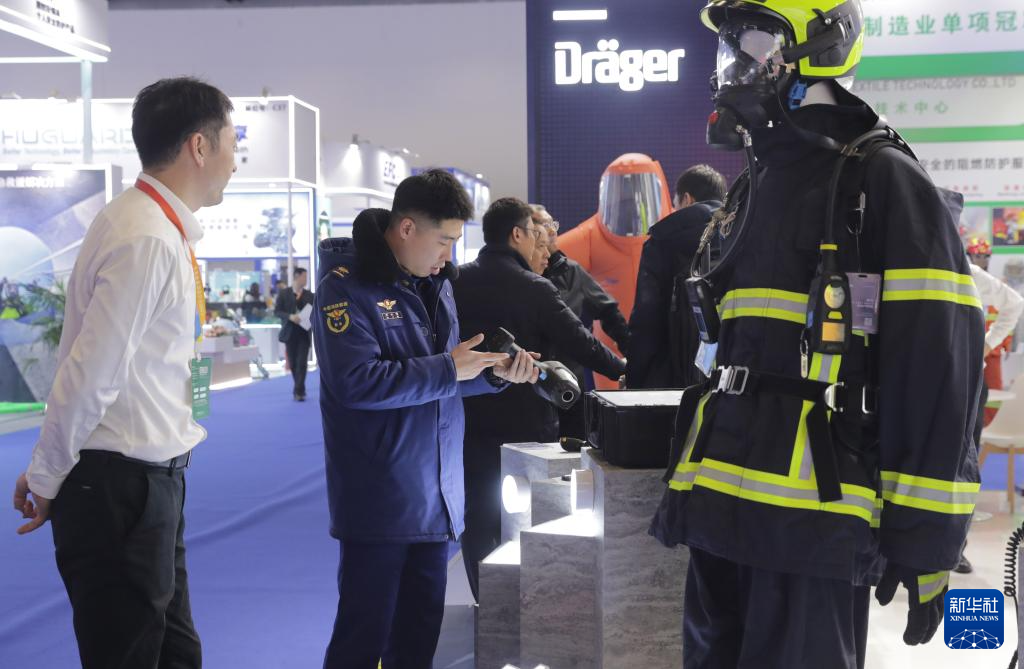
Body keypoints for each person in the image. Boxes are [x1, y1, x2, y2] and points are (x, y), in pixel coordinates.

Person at [650, 2, 984, 666]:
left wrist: (928, 541)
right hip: (718, 515)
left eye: (754, 41)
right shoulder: (757, 184)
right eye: (729, 45)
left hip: (814, 524)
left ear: (822, 47)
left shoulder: (882, 179)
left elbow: (936, 367)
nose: (735, 64)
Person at [11, 77, 236, 669]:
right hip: (119, 487)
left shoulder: (148, 225)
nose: (236, 161)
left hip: (143, 483)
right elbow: (90, 373)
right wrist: (48, 473)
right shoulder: (145, 237)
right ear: (199, 146)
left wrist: (51, 466)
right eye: (233, 143)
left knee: (173, 653)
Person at [313, 171, 537, 669]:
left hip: (437, 500)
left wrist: (491, 373)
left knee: (417, 645)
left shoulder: (437, 286)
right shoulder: (344, 288)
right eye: (443, 241)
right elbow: (356, 383)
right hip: (380, 501)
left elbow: (444, 381)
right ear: (407, 228)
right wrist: (449, 368)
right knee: (361, 641)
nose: (448, 256)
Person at [454, 197, 626, 600]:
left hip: (467, 423)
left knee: (477, 518)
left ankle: (486, 605)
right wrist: (623, 370)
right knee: (530, 521)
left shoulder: (456, 282)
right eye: (536, 234)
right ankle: (528, 608)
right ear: (517, 234)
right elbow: (583, 343)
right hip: (528, 427)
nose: (542, 244)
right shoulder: (534, 287)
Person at [556, 153, 672, 388]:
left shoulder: (671, 232)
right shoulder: (591, 236)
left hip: (663, 344)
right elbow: (544, 258)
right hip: (609, 350)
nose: (630, 201)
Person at [626, 165, 726, 390]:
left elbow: (646, 321)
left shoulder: (663, 240)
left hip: (675, 385)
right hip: (734, 380)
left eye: (675, 203)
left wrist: (635, 381)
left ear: (687, 199)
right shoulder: (743, 233)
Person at [534, 204, 629, 438]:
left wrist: (634, 358)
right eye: (544, 225)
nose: (552, 231)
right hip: (530, 389)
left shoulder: (572, 272)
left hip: (571, 388)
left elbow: (609, 313)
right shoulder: (523, 279)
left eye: (552, 224)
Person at [275, 266, 315, 401]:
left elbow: (314, 312)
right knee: (292, 363)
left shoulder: (310, 295)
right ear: (297, 277)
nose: (306, 279)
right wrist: (290, 316)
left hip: (304, 333)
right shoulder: (284, 293)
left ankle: (298, 391)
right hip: (290, 333)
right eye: (304, 276)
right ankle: (299, 388)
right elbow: (277, 311)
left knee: (302, 362)